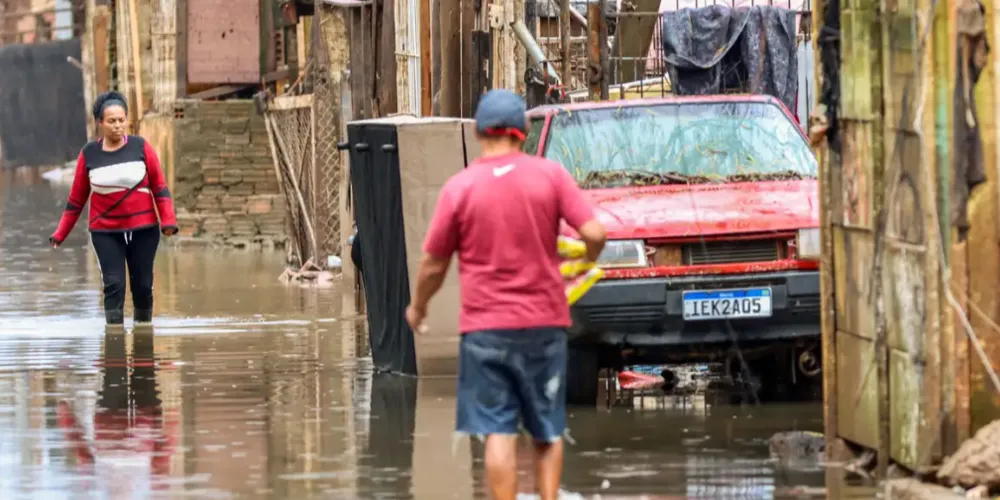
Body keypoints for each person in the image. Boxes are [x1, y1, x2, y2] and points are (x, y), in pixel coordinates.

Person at [404, 89, 607, 500]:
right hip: (544, 325)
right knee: (547, 428)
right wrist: (585, 259)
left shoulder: (460, 188)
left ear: (479, 132)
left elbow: (433, 264)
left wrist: (418, 308)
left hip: (485, 330)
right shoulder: (550, 176)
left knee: (498, 430)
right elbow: (595, 233)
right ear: (522, 132)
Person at [49, 91, 178, 326]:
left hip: (144, 230)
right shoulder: (89, 154)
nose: (118, 126)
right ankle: (114, 344)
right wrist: (60, 234)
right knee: (114, 285)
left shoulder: (141, 147)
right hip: (105, 231)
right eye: (111, 121)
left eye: (121, 120)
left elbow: (160, 188)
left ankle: (143, 336)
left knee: (142, 285)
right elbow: (76, 201)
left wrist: (168, 221)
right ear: (99, 123)